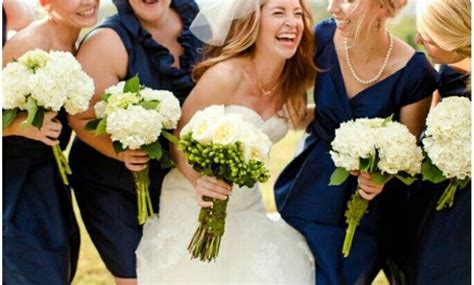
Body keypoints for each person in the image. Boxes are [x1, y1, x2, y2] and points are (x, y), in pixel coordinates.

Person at [136, 0, 316, 283]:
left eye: (298, 14)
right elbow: (179, 141)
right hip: (194, 198)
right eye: (279, 12)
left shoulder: (291, 82)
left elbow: (299, 118)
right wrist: (202, 184)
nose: (292, 22)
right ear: (254, 22)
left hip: (248, 203)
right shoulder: (225, 75)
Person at [273, 0, 439, 284]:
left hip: (367, 213)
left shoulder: (415, 73)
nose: (333, 7)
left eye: (347, 0)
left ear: (384, 6)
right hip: (307, 192)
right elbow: (298, 113)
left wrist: (382, 178)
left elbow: (407, 157)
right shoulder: (321, 38)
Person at [68, 0, 202, 284]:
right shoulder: (107, 42)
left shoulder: (200, 26)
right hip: (113, 184)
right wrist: (122, 155)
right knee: (136, 278)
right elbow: (80, 116)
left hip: (174, 181)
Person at [2, 0, 99, 283]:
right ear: (45, 2)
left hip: (49, 176)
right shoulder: (28, 44)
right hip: (13, 184)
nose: (88, 1)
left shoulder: (83, 42)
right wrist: (20, 125)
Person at [404, 0, 471, 283]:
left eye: (427, 36)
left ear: (451, 36)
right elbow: (423, 140)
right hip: (438, 198)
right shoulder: (446, 76)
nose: (418, 40)